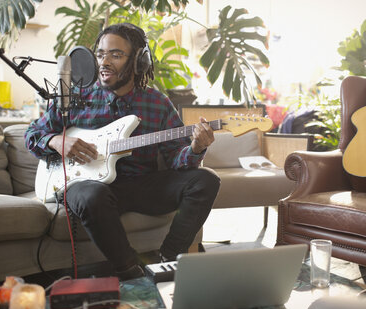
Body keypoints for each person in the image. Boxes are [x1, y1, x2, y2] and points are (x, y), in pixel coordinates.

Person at [25, 23, 220, 280]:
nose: (104, 62)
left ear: (139, 61)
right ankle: (129, 270)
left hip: (139, 186)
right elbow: (32, 135)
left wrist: (196, 147)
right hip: (87, 186)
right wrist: (56, 142)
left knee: (206, 180)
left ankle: (169, 260)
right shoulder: (74, 98)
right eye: (100, 54)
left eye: (115, 55)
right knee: (92, 194)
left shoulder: (156, 103)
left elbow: (175, 157)